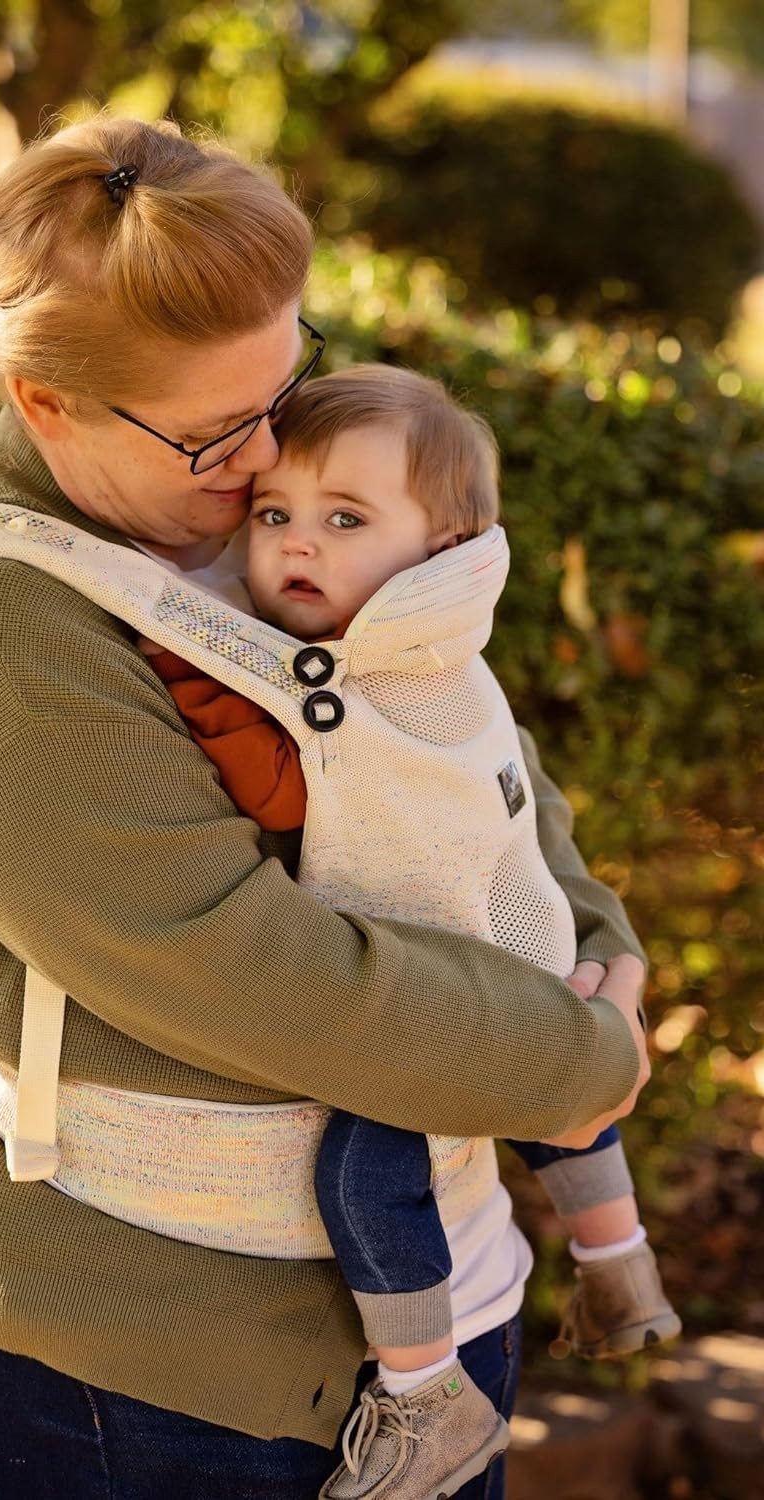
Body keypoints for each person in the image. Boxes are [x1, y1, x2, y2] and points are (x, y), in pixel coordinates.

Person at [0, 115, 650, 1500]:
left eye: (286, 386)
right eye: (215, 435)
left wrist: (587, 934)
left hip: (422, 1306)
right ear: (46, 405)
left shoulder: (233, 513)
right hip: (109, 1365)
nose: (269, 462)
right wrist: (569, 1058)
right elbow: (237, 970)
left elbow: (455, 738)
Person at [141, 364, 679, 1499]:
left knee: (364, 1176)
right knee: (568, 1117)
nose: (296, 546)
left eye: (344, 520)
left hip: (434, 994)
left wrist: (195, 693)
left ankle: (427, 1394)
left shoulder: (353, 678)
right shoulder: (451, 646)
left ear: (443, 544)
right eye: (274, 514)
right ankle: (618, 1265)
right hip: (525, 945)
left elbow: (291, 797)